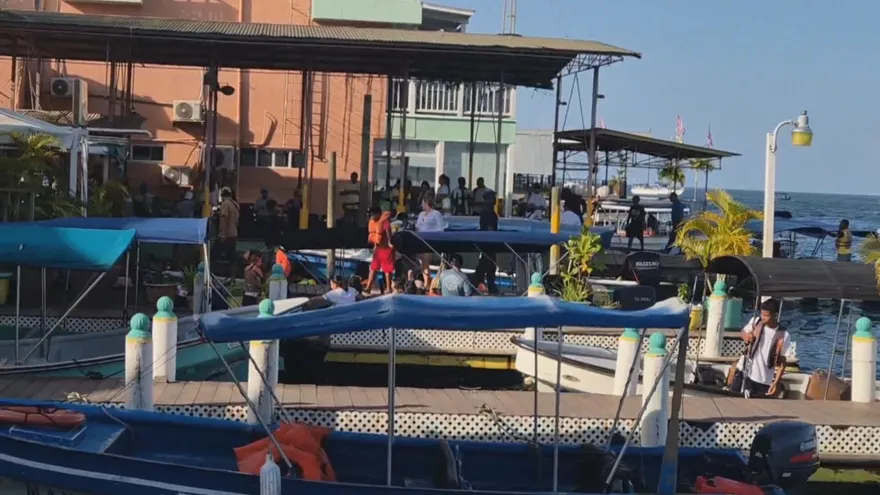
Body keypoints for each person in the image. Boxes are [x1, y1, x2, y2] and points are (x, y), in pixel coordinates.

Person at [733, 298, 791, 398]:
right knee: (732, 398)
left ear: (775, 315)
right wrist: (747, 337)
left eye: (766, 315)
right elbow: (743, 332)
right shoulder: (755, 322)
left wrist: (776, 382)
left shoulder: (784, 335)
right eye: (761, 314)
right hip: (746, 373)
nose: (762, 318)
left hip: (764, 380)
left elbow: (782, 362)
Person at [364, 206, 395, 295]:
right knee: (373, 268)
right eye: (370, 215)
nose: (372, 216)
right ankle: (368, 287)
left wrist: (390, 242)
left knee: (387, 270)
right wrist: (374, 246)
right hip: (378, 249)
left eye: (373, 214)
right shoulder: (373, 221)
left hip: (386, 249)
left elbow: (388, 230)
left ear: (378, 214)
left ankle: (388, 288)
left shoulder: (384, 220)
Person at [416, 197, 445, 287]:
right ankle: (426, 281)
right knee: (422, 263)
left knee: (425, 261)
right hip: (420, 240)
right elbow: (418, 226)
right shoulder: (421, 214)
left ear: (426, 203)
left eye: (422, 203)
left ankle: (426, 283)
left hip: (431, 241)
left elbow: (440, 229)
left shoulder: (436, 214)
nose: (421, 205)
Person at [474, 191, 499, 294]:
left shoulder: (490, 212)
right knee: (487, 265)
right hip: (488, 243)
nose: (495, 200)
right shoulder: (487, 212)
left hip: (489, 243)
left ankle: (488, 285)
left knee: (489, 266)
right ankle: (480, 284)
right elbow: (489, 229)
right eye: (493, 198)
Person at [218, 187, 240, 261]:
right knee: (231, 257)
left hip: (227, 235)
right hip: (234, 233)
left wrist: (223, 234)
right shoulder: (235, 204)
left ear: (222, 195)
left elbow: (224, 219)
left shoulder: (225, 204)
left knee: (223, 258)